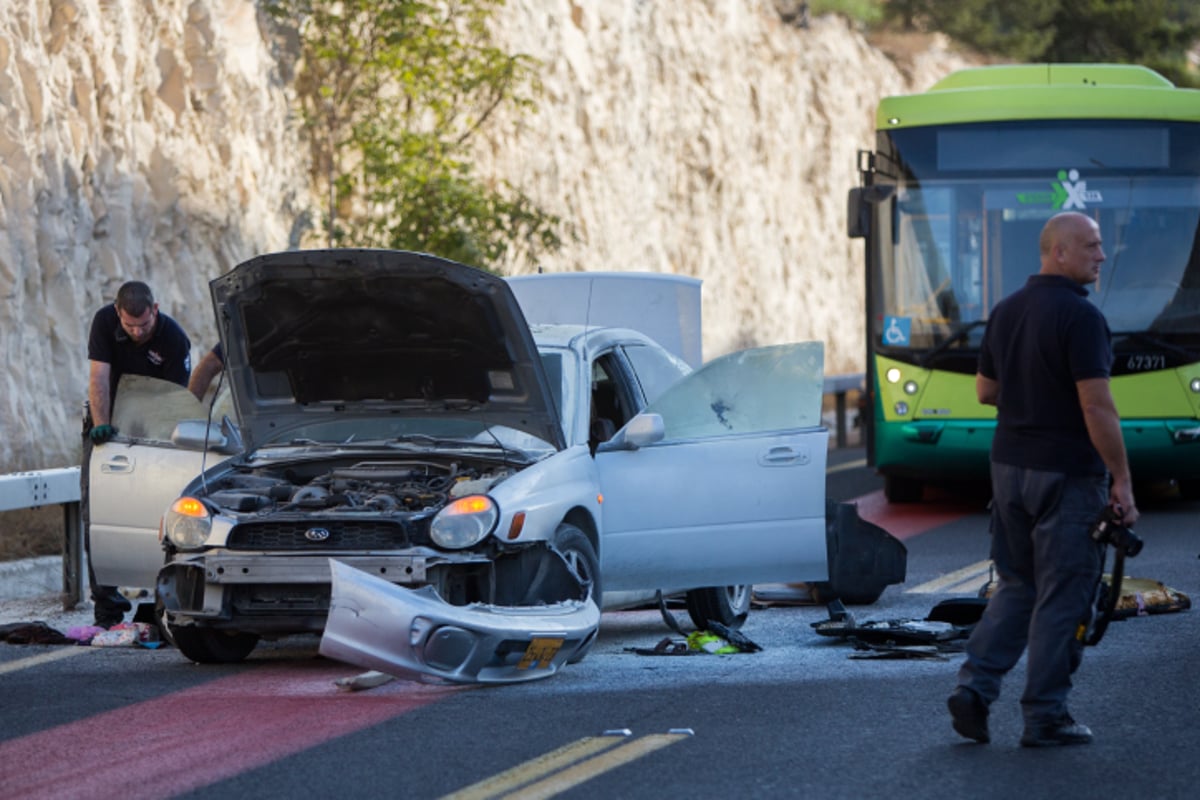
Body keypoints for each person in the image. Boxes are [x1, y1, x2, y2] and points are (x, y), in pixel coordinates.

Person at [946, 211, 1139, 748]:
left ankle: (975, 690)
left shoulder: (1006, 311)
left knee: (1017, 585)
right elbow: (1097, 407)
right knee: (1064, 595)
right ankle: (1045, 716)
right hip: (1067, 475)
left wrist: (1034, 397)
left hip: (1008, 469)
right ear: (1059, 252)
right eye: (1093, 246)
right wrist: (1121, 480)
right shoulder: (1082, 318)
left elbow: (985, 391)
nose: (1102, 256)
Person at [83, 281, 192, 627]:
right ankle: (106, 606)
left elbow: (174, 403)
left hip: (155, 430)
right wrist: (102, 425)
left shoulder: (174, 339)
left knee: (161, 512)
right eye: (129, 326)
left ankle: (161, 603)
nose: (136, 332)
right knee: (95, 511)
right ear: (118, 314)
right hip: (107, 423)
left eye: (143, 325)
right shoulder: (104, 322)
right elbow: (98, 377)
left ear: (155, 310)